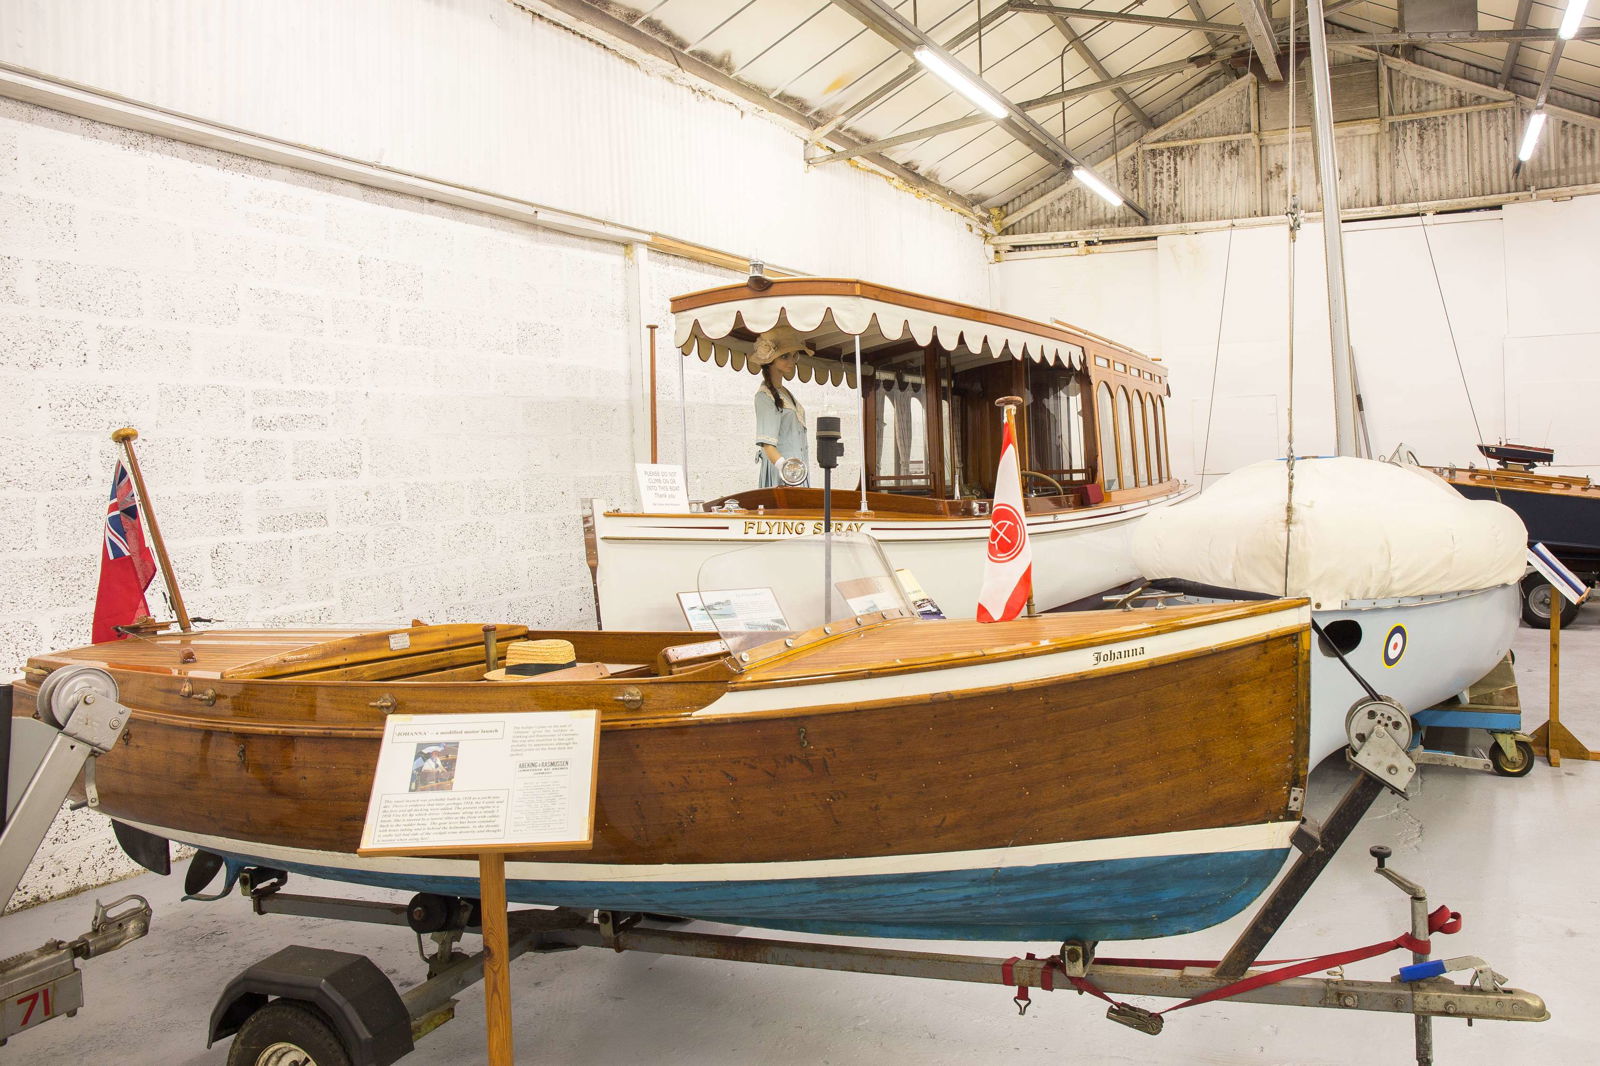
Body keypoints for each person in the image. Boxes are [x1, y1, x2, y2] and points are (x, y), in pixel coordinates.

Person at [750, 326, 811, 487]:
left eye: (793, 356)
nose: (791, 361)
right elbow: (768, 445)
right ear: (771, 360)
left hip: (797, 470)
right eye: (784, 356)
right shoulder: (764, 396)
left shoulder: (785, 393)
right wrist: (786, 470)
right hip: (784, 473)